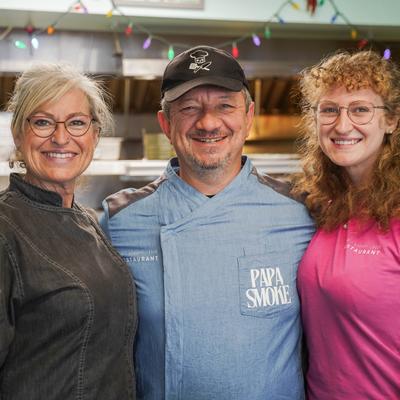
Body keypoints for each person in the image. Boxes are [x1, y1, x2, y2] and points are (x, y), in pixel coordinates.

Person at [102, 45, 314, 400]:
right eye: (189, 108)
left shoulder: (300, 213)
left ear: (249, 116)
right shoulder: (120, 221)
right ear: (166, 124)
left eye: (224, 106)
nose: (208, 122)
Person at [0, 63, 137, 400]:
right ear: (19, 133)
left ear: (94, 134)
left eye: (76, 122)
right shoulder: (5, 229)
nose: (61, 138)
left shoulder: (88, 221)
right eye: (43, 122)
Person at [292, 50, 400, 399]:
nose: (342, 125)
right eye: (329, 110)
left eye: (360, 109)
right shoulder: (324, 204)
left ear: (392, 121)